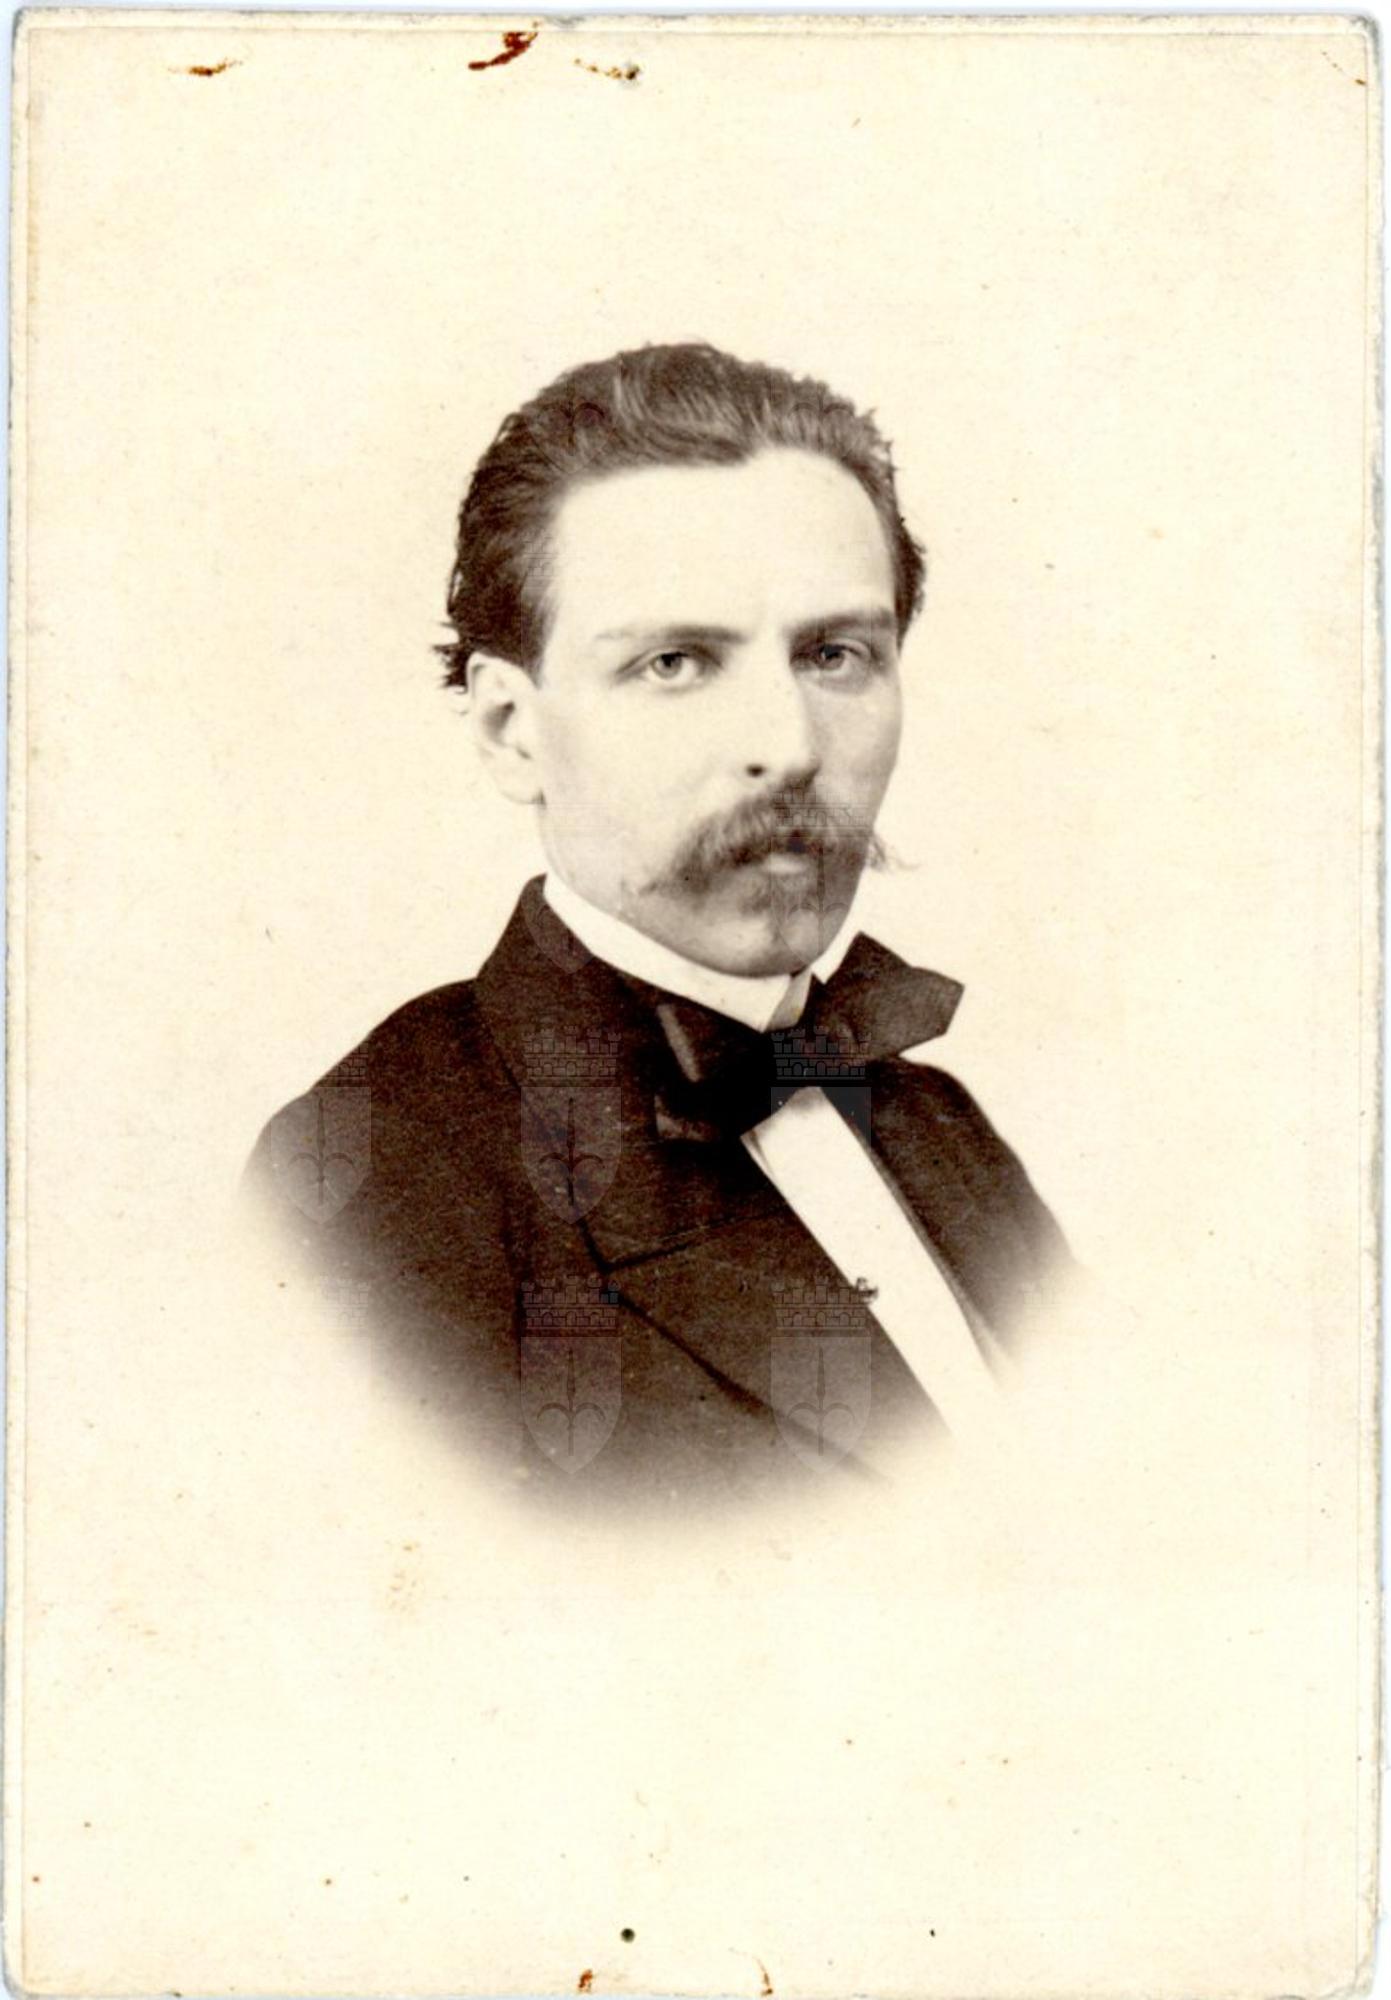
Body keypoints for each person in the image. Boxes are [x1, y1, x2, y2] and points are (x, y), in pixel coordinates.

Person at [244, 342, 1071, 1508]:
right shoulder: (369, 1180)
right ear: (509, 729)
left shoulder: (942, 1126)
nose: (788, 745)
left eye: (835, 655)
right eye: (674, 663)